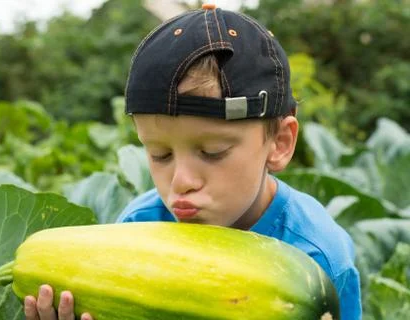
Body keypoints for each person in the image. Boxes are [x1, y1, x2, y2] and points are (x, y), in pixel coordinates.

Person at [24, 4, 362, 320]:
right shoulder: (138, 227)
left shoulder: (320, 259)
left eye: (212, 152)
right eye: (160, 155)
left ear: (280, 143)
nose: (181, 181)